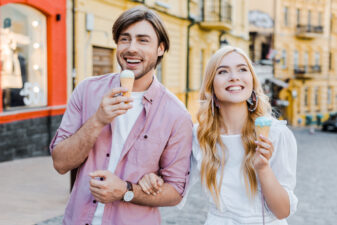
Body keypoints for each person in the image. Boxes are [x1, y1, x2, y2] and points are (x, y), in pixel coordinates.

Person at [50, 6, 193, 225]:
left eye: (143, 40)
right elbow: (60, 163)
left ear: (160, 49)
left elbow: (175, 191)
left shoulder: (176, 114)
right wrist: (98, 120)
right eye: (125, 39)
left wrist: (125, 190)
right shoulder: (87, 91)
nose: (131, 48)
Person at [138, 46, 298, 225]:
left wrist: (263, 169)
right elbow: (175, 183)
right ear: (211, 86)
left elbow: (283, 211)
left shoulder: (276, 134)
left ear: (252, 80)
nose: (234, 77)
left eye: (242, 69)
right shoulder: (199, 136)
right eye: (223, 71)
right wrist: (152, 179)